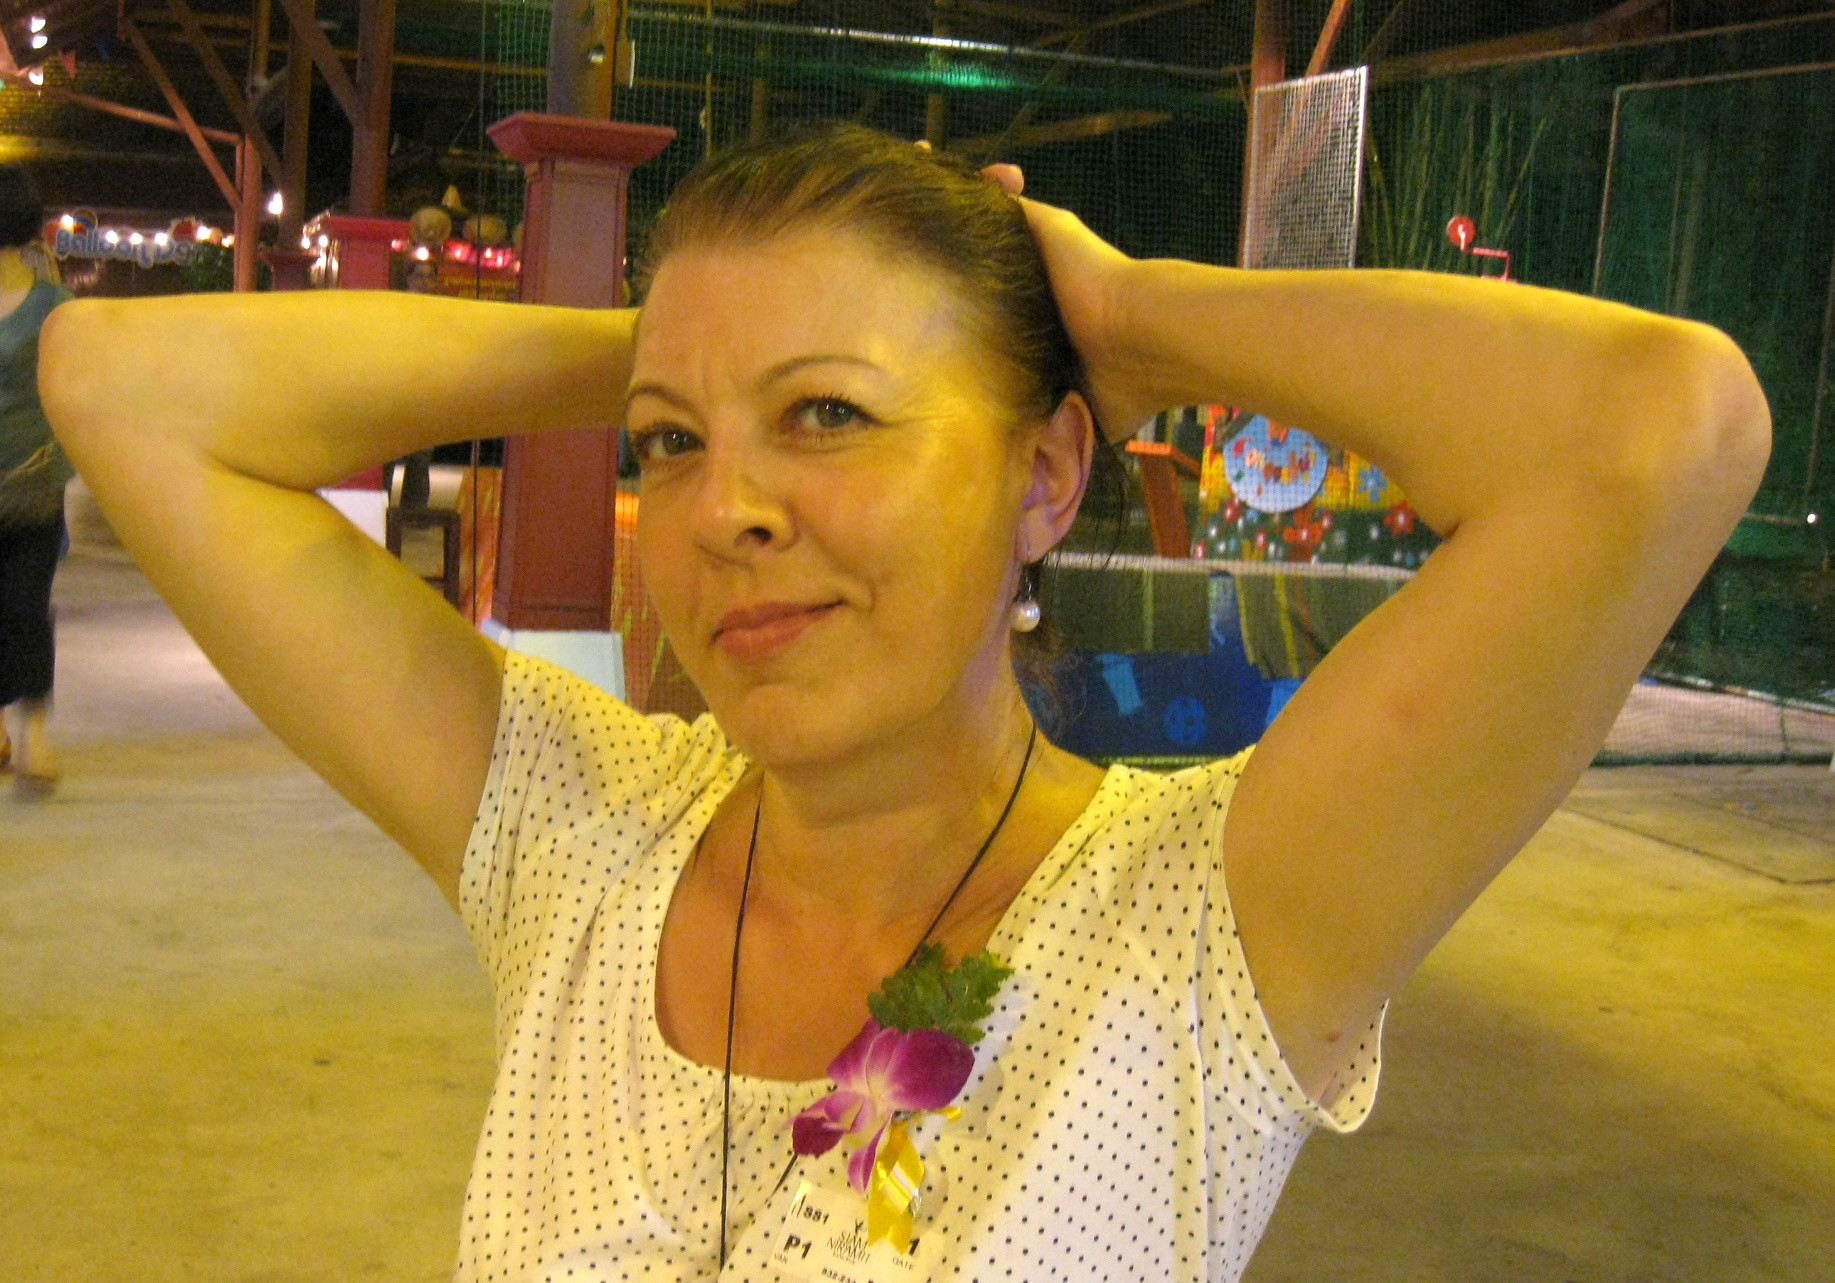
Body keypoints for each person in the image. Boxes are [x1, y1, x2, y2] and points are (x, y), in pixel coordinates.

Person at [41, 125, 1768, 1280]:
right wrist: (673, 344)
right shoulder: (578, 834)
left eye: (831, 416)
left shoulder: (1213, 921)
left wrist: (1131, 314)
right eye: (669, 445)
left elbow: (1662, 428)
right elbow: (121, 384)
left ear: (1047, 472)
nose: (726, 509)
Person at [0, 166, 75, 786]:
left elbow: (77, 393)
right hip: (35, 483)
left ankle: (35, 739)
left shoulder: (55, 307)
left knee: (25, 608)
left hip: (32, 487)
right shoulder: (54, 304)